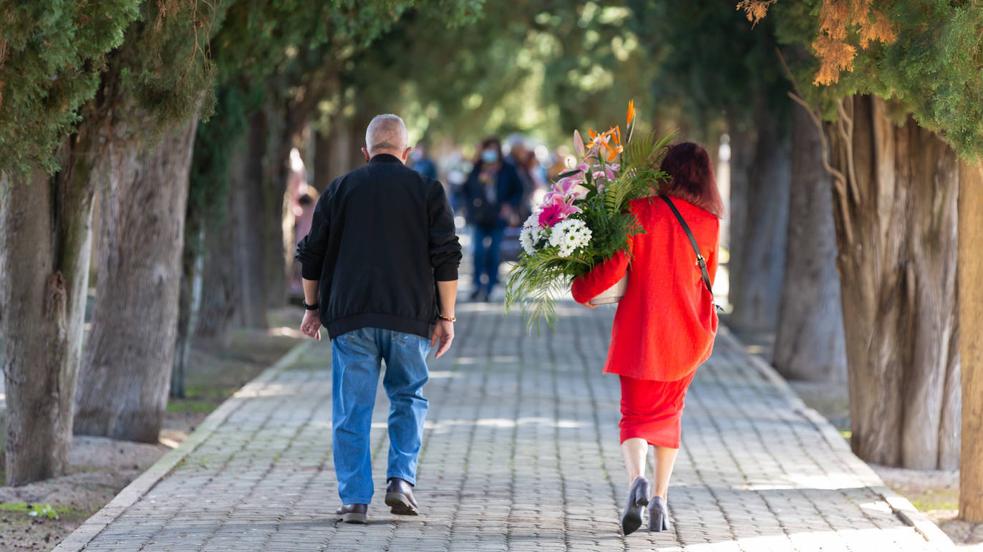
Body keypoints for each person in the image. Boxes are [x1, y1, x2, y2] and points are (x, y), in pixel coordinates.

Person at [295, 114, 462, 525]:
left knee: (352, 409)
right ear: (406, 153)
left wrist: (312, 308)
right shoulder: (427, 190)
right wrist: (447, 316)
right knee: (409, 397)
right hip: (409, 317)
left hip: (350, 318)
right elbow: (447, 256)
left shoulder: (340, 189)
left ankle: (354, 500)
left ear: (366, 152)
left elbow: (311, 253)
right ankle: (401, 481)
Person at [570, 142, 722, 535]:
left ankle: (636, 479)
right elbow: (707, 284)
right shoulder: (708, 223)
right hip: (685, 338)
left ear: (665, 172)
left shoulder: (639, 212)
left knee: (634, 416)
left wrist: (582, 290)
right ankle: (659, 501)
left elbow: (614, 267)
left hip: (641, 334)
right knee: (669, 416)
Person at [463, 137, 523, 301]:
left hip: (498, 218)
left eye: (493, 150)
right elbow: (466, 190)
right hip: (479, 217)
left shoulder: (508, 169)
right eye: (487, 150)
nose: (490, 153)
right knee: (478, 252)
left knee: (494, 252)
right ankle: (476, 285)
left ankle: (489, 288)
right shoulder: (476, 168)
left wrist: (509, 205)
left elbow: (519, 190)